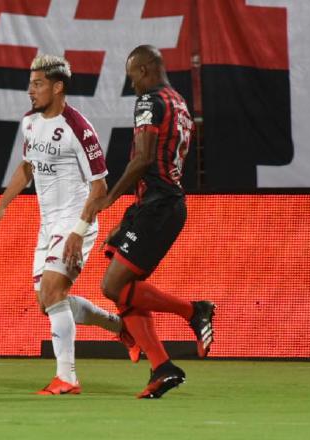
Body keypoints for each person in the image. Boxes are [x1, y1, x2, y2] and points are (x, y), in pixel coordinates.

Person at [0, 54, 137, 396]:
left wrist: (78, 231)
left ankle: (67, 377)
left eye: (37, 84)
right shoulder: (30, 122)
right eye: (30, 84)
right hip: (47, 224)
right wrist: (2, 206)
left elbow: (99, 188)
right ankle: (121, 327)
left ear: (57, 87)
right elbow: (27, 167)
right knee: (48, 302)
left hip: (75, 222)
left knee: (53, 292)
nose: (31, 91)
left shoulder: (79, 129)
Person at [77, 45, 215, 399]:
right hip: (156, 204)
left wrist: (108, 199)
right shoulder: (180, 103)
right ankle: (163, 368)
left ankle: (193, 311)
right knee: (117, 272)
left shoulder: (150, 102)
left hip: (158, 204)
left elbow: (142, 159)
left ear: (145, 69)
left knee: (113, 287)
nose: (132, 86)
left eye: (132, 77)